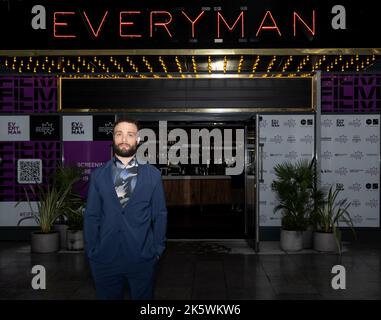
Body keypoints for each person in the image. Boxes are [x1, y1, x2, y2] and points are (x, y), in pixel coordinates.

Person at [84, 117, 167, 300]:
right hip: (105, 259)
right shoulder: (98, 176)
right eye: (119, 134)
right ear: (113, 138)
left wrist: (157, 250)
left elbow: (159, 215)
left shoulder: (153, 175)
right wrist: (92, 251)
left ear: (137, 140)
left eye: (130, 135)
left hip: (142, 258)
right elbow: (91, 216)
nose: (124, 139)